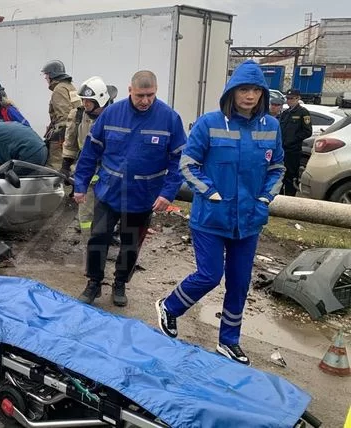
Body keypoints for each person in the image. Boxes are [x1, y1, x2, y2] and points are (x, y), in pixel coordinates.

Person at [155, 60, 285, 366]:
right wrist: (210, 192)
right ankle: (170, 307)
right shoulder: (210, 123)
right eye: (243, 89)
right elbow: (188, 163)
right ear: (232, 91)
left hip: (249, 221)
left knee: (239, 282)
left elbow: (277, 168)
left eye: (255, 90)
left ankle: (229, 341)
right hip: (211, 218)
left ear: (263, 93)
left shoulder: (271, 127)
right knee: (210, 275)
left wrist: (265, 198)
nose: (250, 96)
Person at [73, 70, 185, 307]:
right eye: (140, 95)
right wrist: (81, 184)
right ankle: (93, 283)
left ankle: (120, 283)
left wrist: (167, 193)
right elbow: (90, 152)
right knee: (98, 239)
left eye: (150, 95)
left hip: (142, 197)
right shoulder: (112, 114)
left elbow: (179, 161)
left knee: (130, 245)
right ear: (129, 91)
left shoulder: (169, 119)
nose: (145, 101)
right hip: (109, 193)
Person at [62, 76, 118, 233]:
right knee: (86, 217)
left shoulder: (115, 117)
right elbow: (70, 142)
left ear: (101, 100)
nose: (85, 103)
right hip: (87, 176)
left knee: (108, 215)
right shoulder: (78, 115)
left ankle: (107, 237)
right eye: (84, 100)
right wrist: (66, 165)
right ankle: (88, 247)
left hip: (110, 178)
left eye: (89, 100)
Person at [42, 60, 81, 169]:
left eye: (47, 76)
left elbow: (64, 117)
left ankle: (59, 186)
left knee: (57, 167)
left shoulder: (58, 90)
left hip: (61, 138)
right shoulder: (70, 87)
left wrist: (59, 137)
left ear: (52, 75)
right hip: (74, 134)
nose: (46, 79)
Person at [279, 89, 312, 196]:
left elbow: (307, 131)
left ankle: (289, 199)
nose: (288, 101)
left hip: (293, 151)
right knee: (279, 176)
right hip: (282, 150)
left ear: (298, 98)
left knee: (291, 177)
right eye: (287, 98)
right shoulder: (285, 113)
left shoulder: (303, 113)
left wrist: (293, 140)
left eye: (291, 98)